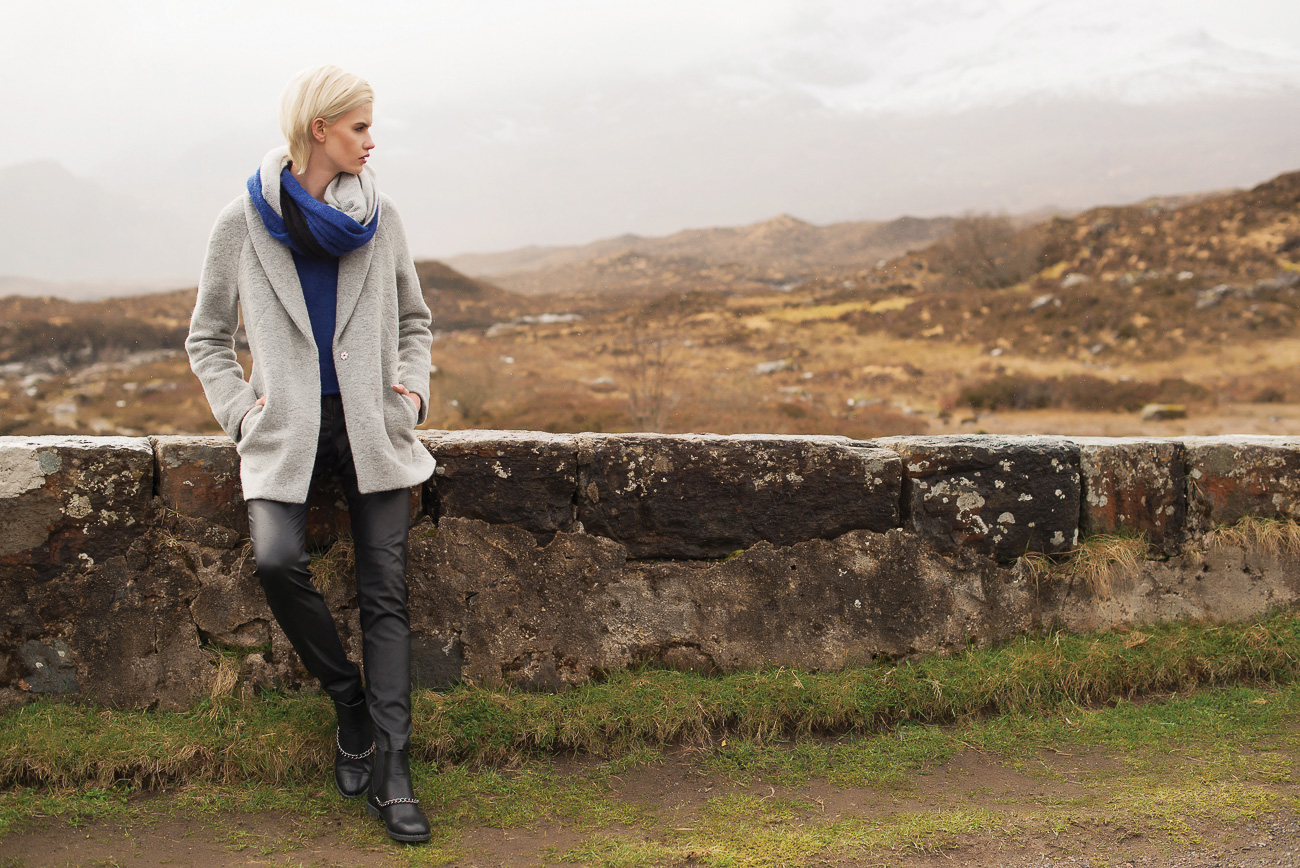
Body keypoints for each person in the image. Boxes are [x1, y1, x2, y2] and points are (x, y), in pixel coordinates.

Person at [186, 65, 435, 844]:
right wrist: (240, 412)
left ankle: (394, 770)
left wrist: (412, 396)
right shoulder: (241, 222)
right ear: (319, 129)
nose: (371, 140)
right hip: (285, 431)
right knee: (274, 559)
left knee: (385, 591)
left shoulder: (381, 218)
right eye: (360, 127)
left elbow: (415, 322)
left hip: (373, 428)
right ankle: (348, 704)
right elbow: (207, 339)